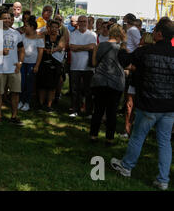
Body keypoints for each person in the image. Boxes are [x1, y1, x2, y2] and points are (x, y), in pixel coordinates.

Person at [111, 18, 174, 191]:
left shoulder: (146, 51)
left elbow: (124, 59)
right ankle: (163, 180)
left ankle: (127, 166)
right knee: (164, 142)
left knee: (138, 136)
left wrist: (123, 44)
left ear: (159, 33)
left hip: (148, 104)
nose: (152, 33)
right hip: (169, 107)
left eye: (154, 30)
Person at [90, 24, 129, 146]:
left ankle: (93, 136)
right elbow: (126, 66)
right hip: (116, 82)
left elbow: (94, 63)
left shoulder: (100, 46)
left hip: (100, 81)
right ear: (120, 35)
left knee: (98, 110)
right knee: (112, 112)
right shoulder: (122, 49)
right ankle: (109, 139)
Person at [0, 10, 25, 125]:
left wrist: (20, 62)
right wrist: (0, 52)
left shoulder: (16, 33)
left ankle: (14, 117)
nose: (7, 20)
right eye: (4, 18)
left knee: (15, 93)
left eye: (9, 18)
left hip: (14, 68)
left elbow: (21, 49)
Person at [69, 15, 97, 117]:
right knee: (75, 90)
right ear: (78, 23)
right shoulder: (73, 34)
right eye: (80, 21)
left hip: (88, 67)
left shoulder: (92, 35)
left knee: (88, 90)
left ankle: (88, 111)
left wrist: (79, 47)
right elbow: (72, 47)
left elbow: (93, 47)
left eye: (84, 21)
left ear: (87, 22)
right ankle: (75, 110)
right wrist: (86, 47)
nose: (82, 23)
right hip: (75, 66)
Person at [36, 20, 65, 112]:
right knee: (42, 84)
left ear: (58, 28)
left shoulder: (61, 37)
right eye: (52, 27)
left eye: (56, 27)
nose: (54, 29)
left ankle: (49, 105)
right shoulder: (45, 35)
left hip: (56, 63)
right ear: (49, 27)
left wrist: (52, 50)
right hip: (44, 62)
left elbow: (60, 46)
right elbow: (41, 44)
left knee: (52, 86)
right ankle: (40, 104)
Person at [19, 16, 44, 112]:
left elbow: (40, 52)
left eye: (27, 26)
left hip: (32, 64)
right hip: (22, 63)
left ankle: (27, 103)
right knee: (22, 83)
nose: (25, 27)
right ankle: (20, 101)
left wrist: (37, 65)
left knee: (29, 84)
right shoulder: (22, 36)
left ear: (32, 27)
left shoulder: (39, 38)